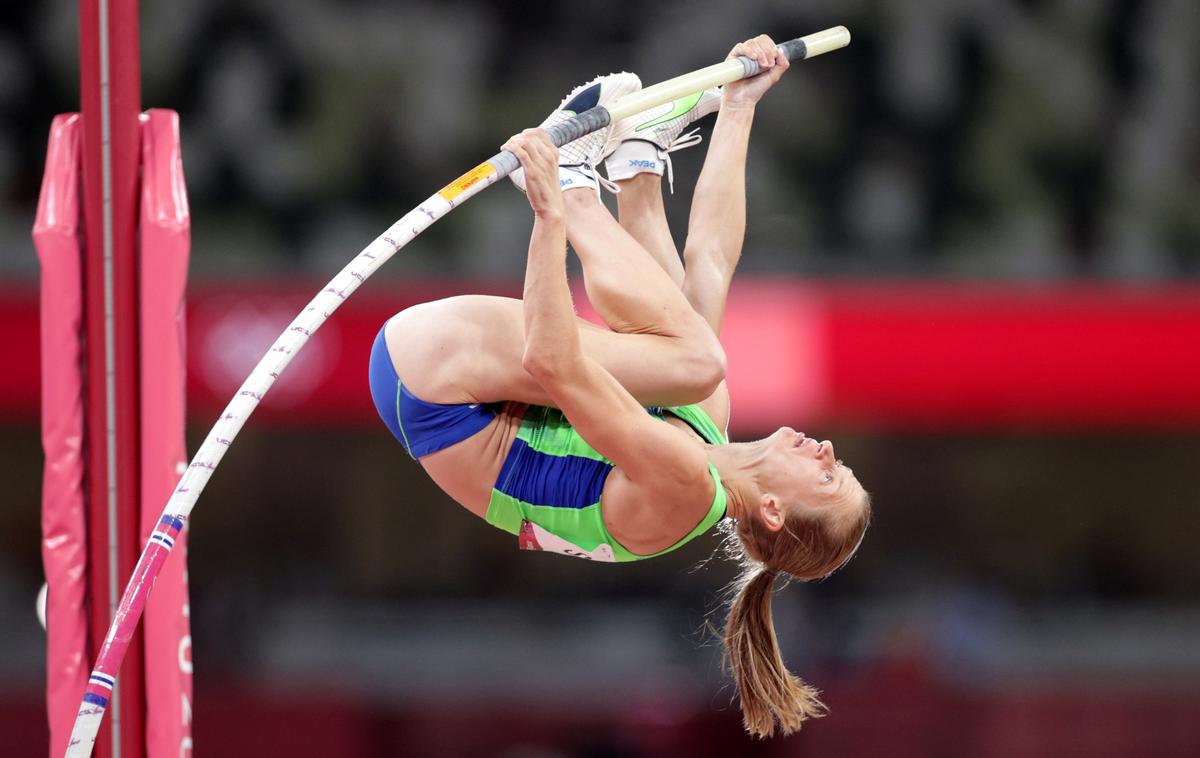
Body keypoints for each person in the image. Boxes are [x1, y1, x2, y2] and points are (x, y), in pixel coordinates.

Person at [368, 36, 871, 737]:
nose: (824, 450)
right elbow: (713, 258)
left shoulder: (687, 487)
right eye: (837, 462)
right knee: (696, 341)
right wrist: (738, 109)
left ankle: (581, 180)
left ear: (777, 511)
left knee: (699, 360)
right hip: (473, 377)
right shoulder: (708, 430)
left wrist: (553, 213)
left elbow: (553, 362)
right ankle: (638, 162)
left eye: (826, 476)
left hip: (436, 385)